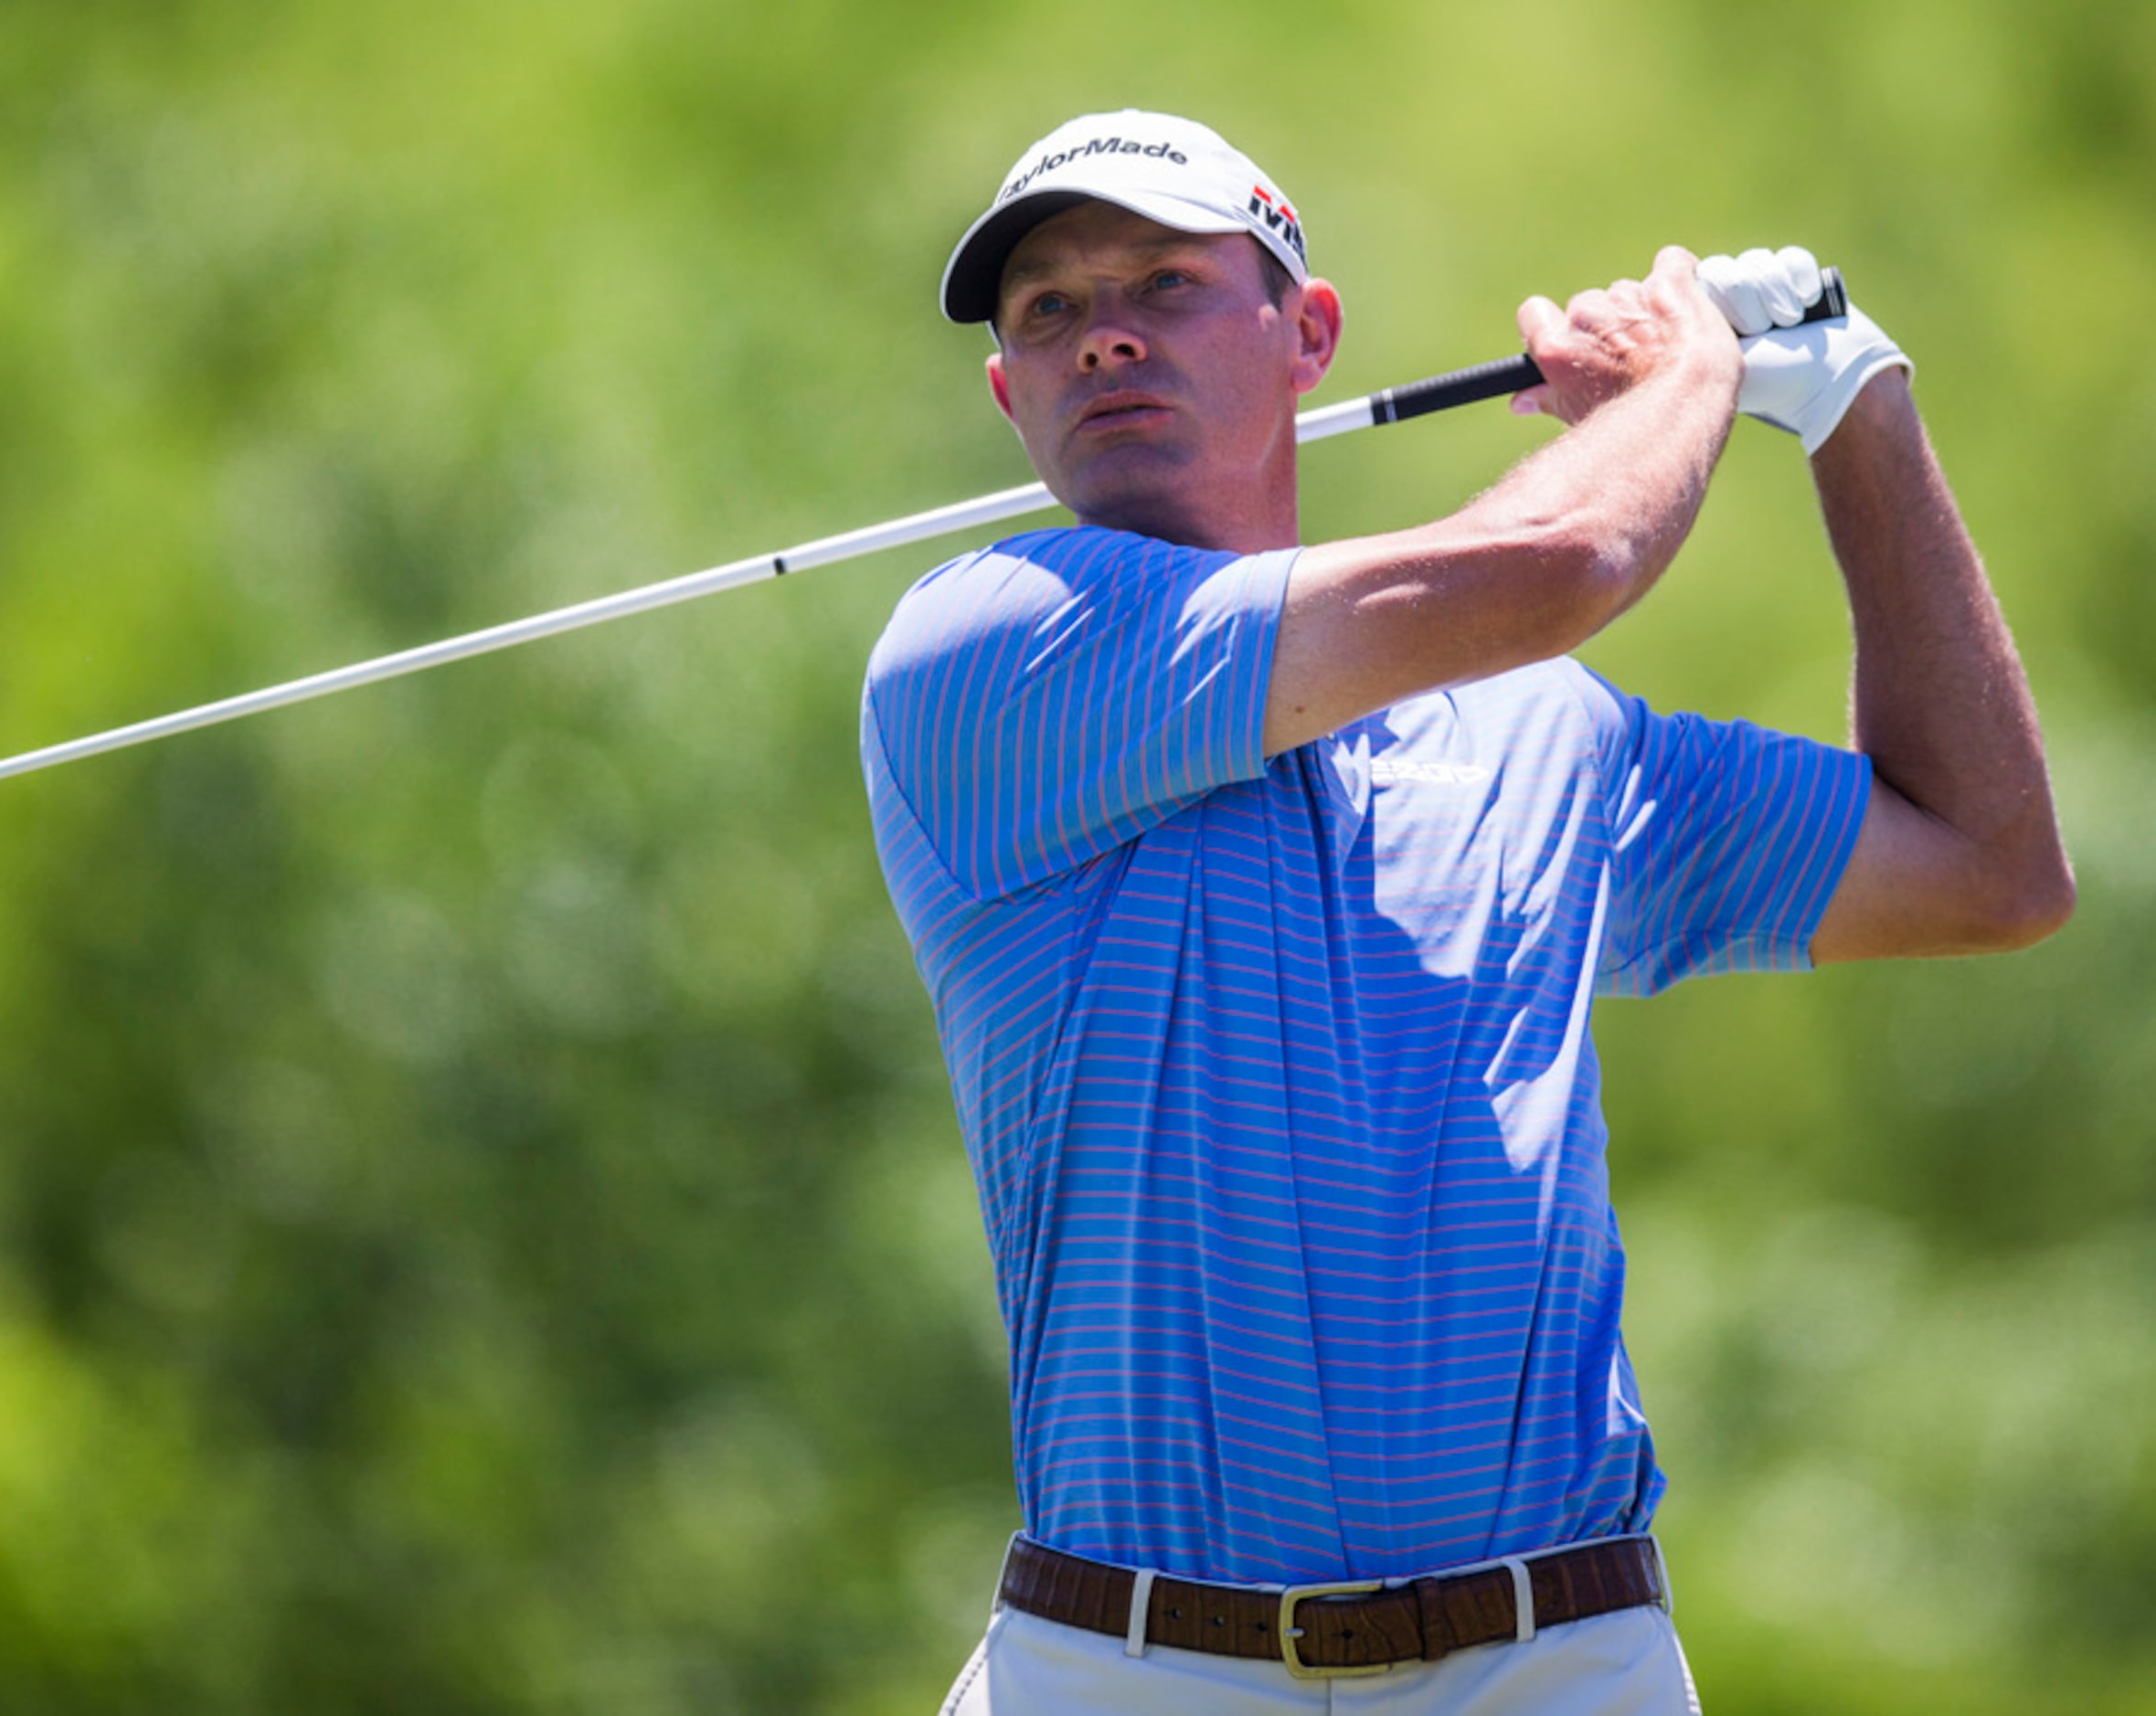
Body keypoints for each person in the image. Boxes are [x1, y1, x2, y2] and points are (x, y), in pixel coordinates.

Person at [859, 111, 2070, 1713]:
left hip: (1558, 1662)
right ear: (1010, 396)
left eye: (1162, 278)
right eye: (1049, 311)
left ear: (1308, 335)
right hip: (1126, 1664)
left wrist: (1857, 411)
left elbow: (1989, 865)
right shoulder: (985, 650)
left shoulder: (1546, 734)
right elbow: (1563, 553)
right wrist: (1693, 370)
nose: (1106, 334)